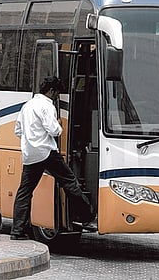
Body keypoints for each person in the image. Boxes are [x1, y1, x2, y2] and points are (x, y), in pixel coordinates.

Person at [10, 76, 96, 240]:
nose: (57, 97)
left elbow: (18, 131)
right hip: (47, 152)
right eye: (57, 93)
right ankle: (87, 215)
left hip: (30, 154)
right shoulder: (46, 106)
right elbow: (54, 130)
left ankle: (17, 230)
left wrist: (30, 141)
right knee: (69, 181)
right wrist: (59, 124)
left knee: (25, 191)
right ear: (51, 91)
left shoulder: (27, 106)